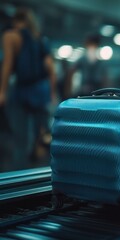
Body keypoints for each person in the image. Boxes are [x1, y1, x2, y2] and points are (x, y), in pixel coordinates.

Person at [0, 8, 57, 170]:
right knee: (43, 137)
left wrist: (2, 91)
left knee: (20, 140)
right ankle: (44, 173)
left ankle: (20, 179)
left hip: (22, 91)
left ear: (15, 21)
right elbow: (50, 69)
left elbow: (7, 64)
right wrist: (52, 94)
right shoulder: (40, 40)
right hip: (41, 92)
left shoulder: (11, 36)